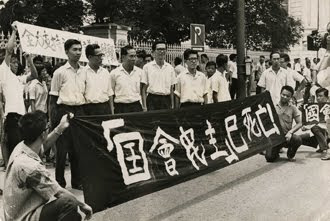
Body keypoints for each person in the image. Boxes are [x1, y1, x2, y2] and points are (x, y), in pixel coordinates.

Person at [3, 111, 93, 221]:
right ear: (43, 134)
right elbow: (58, 191)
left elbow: (43, 145)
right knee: (68, 203)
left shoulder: (22, 147)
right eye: (47, 127)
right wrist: (83, 205)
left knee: (74, 216)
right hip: (23, 217)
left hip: (17, 213)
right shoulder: (30, 167)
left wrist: (60, 127)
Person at [49, 39, 86, 189]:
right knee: (62, 150)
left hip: (79, 111)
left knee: (77, 149)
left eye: (79, 49)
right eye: (74, 49)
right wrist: (53, 121)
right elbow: (52, 99)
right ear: (66, 52)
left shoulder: (84, 71)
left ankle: (77, 181)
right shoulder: (60, 72)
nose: (78, 52)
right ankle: (60, 183)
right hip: (63, 110)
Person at [0, 23, 37, 167]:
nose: (15, 64)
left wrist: (29, 60)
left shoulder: (18, 79)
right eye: (13, 62)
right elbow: (9, 51)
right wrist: (14, 32)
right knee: (15, 149)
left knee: (23, 150)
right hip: (12, 117)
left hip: (22, 117)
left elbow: (34, 75)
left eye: (16, 62)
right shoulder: (4, 72)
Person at [265, 86, 302, 162]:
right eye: (283, 94)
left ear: (291, 97)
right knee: (269, 158)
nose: (285, 97)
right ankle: (276, 150)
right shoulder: (273, 106)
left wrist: (290, 132)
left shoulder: (293, 108)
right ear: (280, 93)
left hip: (286, 137)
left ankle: (290, 154)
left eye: (288, 96)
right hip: (275, 137)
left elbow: (300, 123)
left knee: (297, 139)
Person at [141, 41, 177, 111]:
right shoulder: (147, 67)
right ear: (153, 52)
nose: (161, 51)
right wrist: (144, 106)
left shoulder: (170, 68)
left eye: (163, 49)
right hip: (152, 100)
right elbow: (143, 88)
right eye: (159, 49)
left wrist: (172, 105)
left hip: (166, 100)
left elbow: (171, 88)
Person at [110, 45, 144, 113]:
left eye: (135, 56)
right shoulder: (114, 73)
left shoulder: (140, 72)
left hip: (136, 107)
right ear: (123, 57)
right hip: (120, 108)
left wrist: (144, 106)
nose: (134, 58)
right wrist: (112, 111)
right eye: (131, 56)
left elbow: (142, 91)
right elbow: (111, 94)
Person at [83, 44, 113, 115]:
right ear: (90, 57)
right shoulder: (82, 72)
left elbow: (110, 93)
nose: (101, 58)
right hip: (89, 109)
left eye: (101, 56)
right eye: (98, 56)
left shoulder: (105, 72)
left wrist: (112, 112)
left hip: (105, 108)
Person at [307, 88, 330, 160]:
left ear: (327, 97)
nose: (318, 98)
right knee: (301, 139)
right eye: (317, 96)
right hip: (323, 131)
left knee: (315, 128)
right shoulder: (317, 107)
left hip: (328, 131)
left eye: (320, 96)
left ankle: (327, 150)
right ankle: (322, 146)